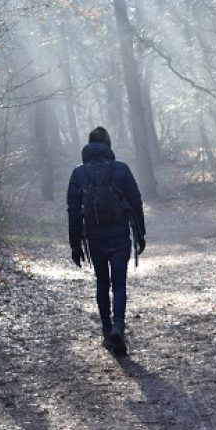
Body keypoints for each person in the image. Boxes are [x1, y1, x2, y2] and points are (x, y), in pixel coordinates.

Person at [67, 126, 146, 355]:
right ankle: (118, 326)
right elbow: (136, 201)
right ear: (107, 145)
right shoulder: (121, 169)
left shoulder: (78, 173)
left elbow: (73, 210)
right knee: (119, 283)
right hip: (120, 235)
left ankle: (106, 330)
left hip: (94, 237)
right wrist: (141, 233)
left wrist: (75, 244)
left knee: (102, 282)